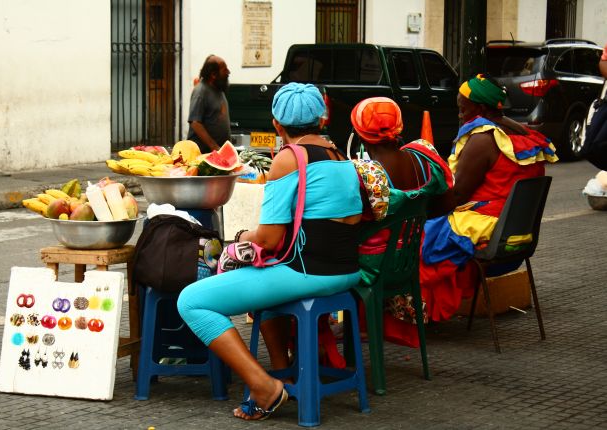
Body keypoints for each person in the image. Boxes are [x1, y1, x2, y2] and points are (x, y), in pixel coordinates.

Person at [177, 82, 363, 421]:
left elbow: (270, 240)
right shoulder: (341, 158)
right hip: (346, 270)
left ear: (277, 124)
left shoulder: (289, 159)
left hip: (307, 272)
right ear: (321, 120)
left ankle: (263, 386)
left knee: (191, 301)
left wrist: (239, 237)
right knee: (265, 290)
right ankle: (283, 371)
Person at [414, 74, 558, 329]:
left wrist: (420, 211)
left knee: (416, 238)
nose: (459, 115)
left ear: (480, 108)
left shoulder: (483, 139)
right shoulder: (523, 133)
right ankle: (429, 312)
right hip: (518, 236)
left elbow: (456, 196)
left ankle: (415, 315)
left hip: (489, 229)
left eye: (462, 109)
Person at [348, 97, 454, 347]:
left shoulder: (364, 173)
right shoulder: (422, 157)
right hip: (407, 260)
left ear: (358, 133)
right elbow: (448, 203)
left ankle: (327, 340)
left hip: (373, 267)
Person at [187, 55, 231, 153]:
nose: (228, 72)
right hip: (203, 153)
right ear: (213, 74)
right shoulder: (200, 91)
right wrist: (214, 147)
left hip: (218, 152)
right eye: (224, 70)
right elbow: (195, 123)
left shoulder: (219, 88)